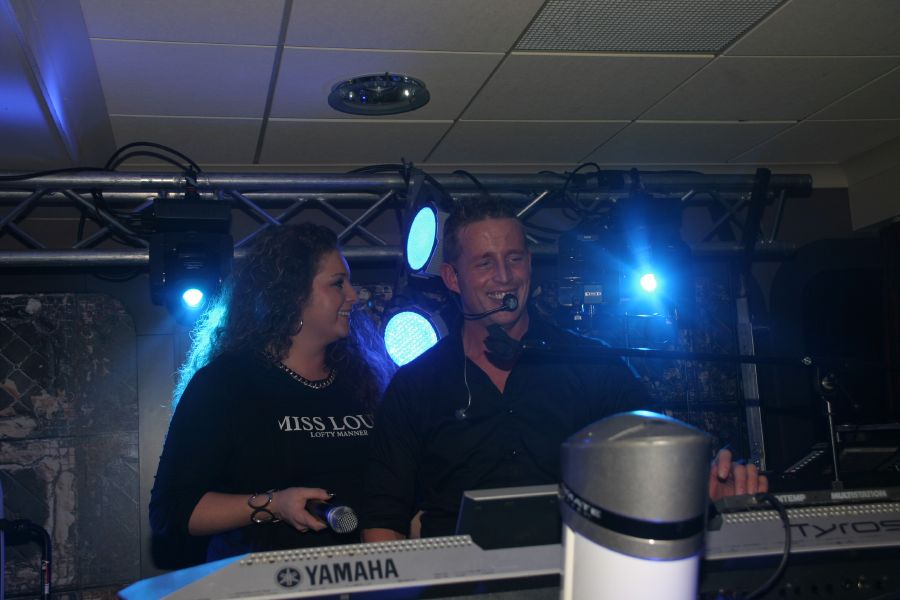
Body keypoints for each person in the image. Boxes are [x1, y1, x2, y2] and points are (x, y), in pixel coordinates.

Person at [361, 198, 767, 542]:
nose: (504, 276)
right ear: (452, 277)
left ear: (530, 264)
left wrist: (704, 483)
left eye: (514, 259)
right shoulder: (416, 385)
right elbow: (383, 514)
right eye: (485, 263)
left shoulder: (591, 362)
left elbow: (655, 459)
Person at [149, 223, 394, 567]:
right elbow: (171, 512)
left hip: (359, 577)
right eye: (338, 283)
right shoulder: (226, 384)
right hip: (264, 580)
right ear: (293, 294)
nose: (353, 295)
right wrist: (275, 505)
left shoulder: (364, 381)